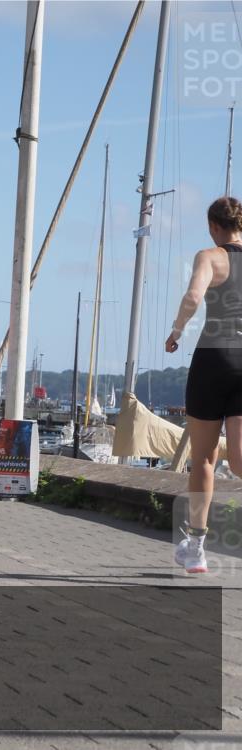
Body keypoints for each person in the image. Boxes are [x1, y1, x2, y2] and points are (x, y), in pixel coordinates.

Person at [166, 196, 242, 574]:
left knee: (204, 458)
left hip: (214, 358)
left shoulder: (210, 257)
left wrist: (176, 331)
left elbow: (194, 296)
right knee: (240, 459)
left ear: (214, 226)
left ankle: (196, 547)